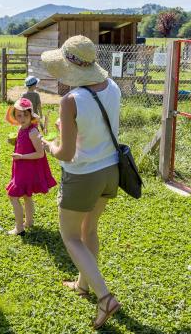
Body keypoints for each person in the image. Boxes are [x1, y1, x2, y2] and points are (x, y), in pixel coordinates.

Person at [40, 35, 122, 330]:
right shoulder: (112, 87)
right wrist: (70, 127)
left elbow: (67, 152)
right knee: (90, 229)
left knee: (71, 236)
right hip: (110, 170)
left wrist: (50, 144)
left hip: (83, 175)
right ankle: (83, 284)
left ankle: (105, 297)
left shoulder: (70, 100)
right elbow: (98, 128)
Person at [5, 97, 57, 236]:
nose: (22, 118)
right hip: (21, 167)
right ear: (15, 115)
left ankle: (19, 228)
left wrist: (21, 157)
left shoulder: (33, 132)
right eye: (19, 115)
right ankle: (28, 222)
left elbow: (40, 154)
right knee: (27, 196)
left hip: (26, 169)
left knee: (12, 195)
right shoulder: (21, 128)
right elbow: (25, 145)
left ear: (30, 115)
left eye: (25, 115)